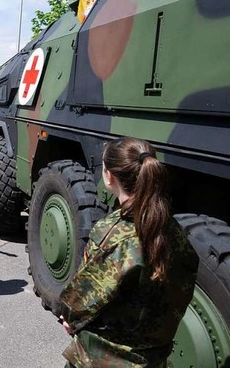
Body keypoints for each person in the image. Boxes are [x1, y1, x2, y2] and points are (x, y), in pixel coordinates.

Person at [59, 137, 199, 367]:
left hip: (104, 358)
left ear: (109, 176)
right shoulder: (173, 229)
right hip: (154, 358)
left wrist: (68, 317)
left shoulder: (112, 232)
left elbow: (78, 302)